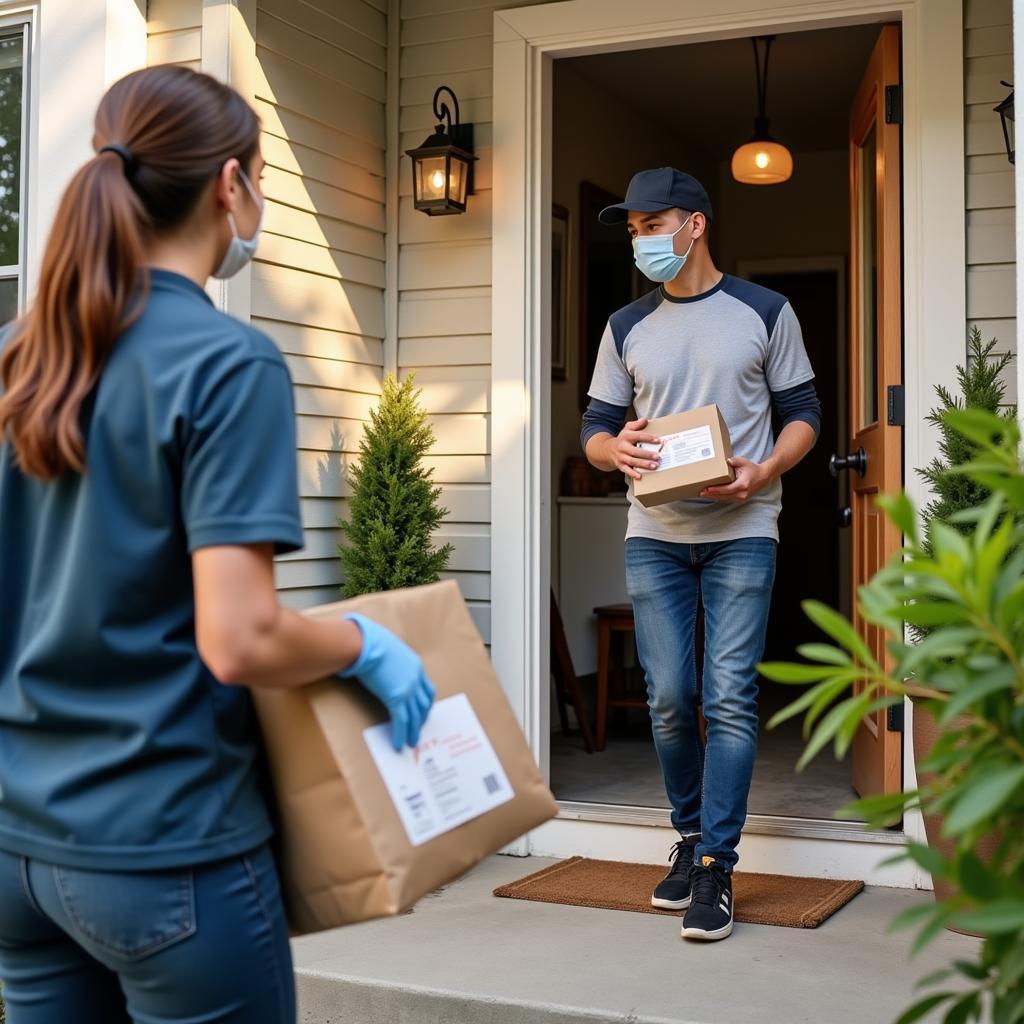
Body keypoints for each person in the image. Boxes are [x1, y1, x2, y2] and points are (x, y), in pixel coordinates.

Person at [0, 65, 435, 1023]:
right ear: (228, 187)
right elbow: (239, 638)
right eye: (266, 178)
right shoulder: (226, 363)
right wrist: (365, 643)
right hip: (166, 852)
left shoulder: (20, 358)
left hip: (20, 851)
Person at [581, 168, 821, 942]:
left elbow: (804, 414)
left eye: (653, 224)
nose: (642, 239)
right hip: (655, 537)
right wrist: (613, 450)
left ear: (695, 225)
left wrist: (765, 469)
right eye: (633, 229)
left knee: (727, 695)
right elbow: (594, 429)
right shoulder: (625, 326)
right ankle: (688, 836)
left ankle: (717, 866)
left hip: (744, 529)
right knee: (669, 697)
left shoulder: (764, 311)